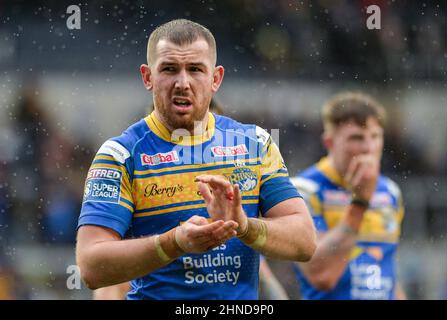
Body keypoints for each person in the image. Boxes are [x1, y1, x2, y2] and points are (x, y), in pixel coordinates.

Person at [76, 18, 316, 300]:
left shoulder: (256, 143)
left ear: (215, 78)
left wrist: (245, 225)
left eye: (195, 70)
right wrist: (174, 242)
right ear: (147, 77)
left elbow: (305, 241)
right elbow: (91, 266)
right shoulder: (120, 156)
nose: (182, 83)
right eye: (169, 69)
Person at [92, 98, 289, 300]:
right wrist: (174, 243)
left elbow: (297, 250)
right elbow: (103, 279)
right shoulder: (135, 173)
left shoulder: (241, 179)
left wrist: (246, 227)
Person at [291, 91, 406, 300]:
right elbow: (321, 276)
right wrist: (360, 203)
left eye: (375, 136)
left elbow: (388, 271)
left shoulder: (390, 192)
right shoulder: (303, 190)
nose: (368, 148)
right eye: (357, 138)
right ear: (329, 142)